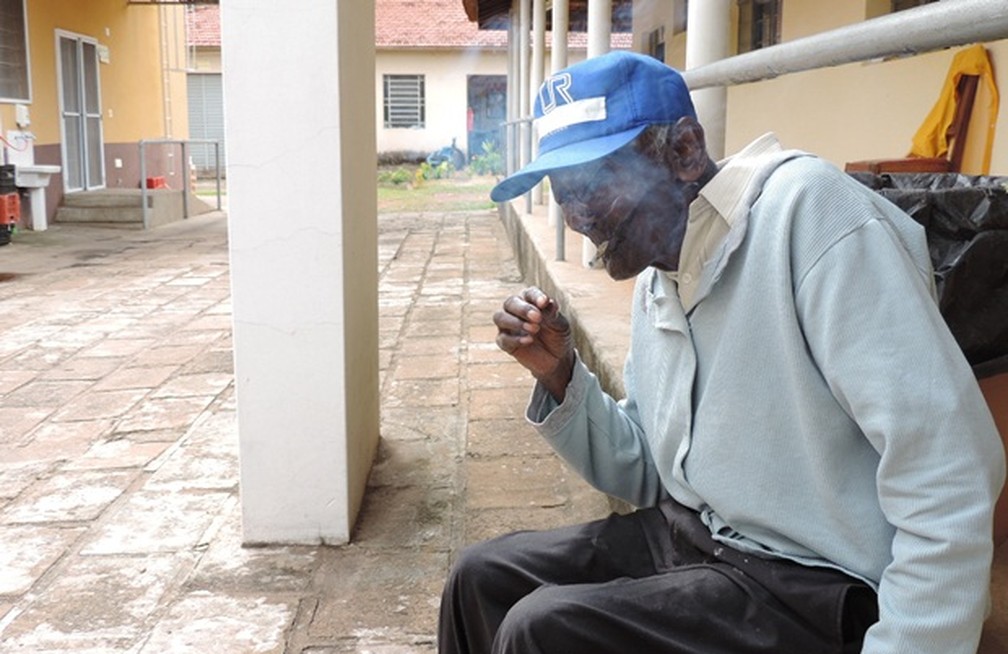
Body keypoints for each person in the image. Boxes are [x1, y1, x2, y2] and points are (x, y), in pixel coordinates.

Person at [437, 51, 1005, 654]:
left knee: (543, 630)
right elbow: (654, 469)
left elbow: (949, 472)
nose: (576, 217)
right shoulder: (662, 269)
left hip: (810, 584)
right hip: (698, 540)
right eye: (562, 191)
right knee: (480, 577)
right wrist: (559, 375)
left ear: (683, 151)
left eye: (593, 184)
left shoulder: (812, 215)